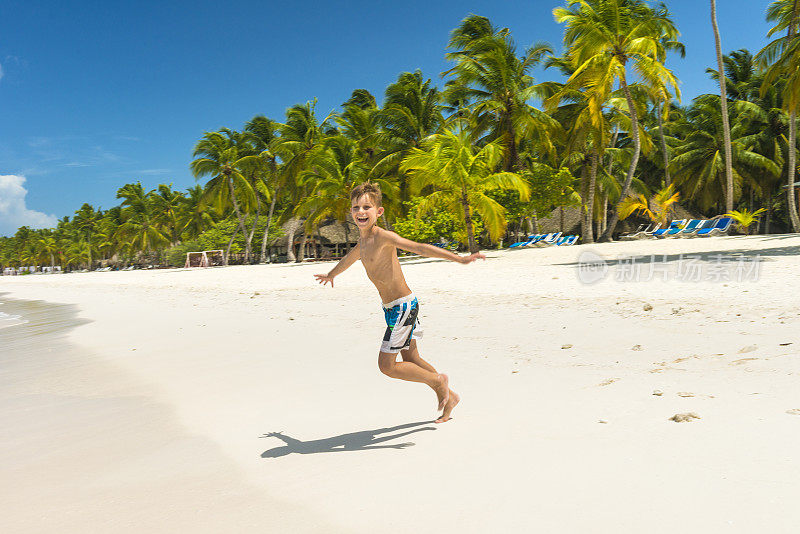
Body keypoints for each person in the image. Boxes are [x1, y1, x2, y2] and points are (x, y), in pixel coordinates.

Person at [314, 182, 485, 423]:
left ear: (378, 212)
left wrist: (459, 259)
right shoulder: (361, 244)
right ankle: (452, 398)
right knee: (412, 359)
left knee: (387, 366)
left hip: (403, 307)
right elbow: (347, 260)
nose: (361, 211)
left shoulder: (383, 237)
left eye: (367, 207)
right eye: (356, 207)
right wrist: (332, 274)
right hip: (396, 308)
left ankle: (439, 382)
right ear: (351, 212)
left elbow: (420, 248)